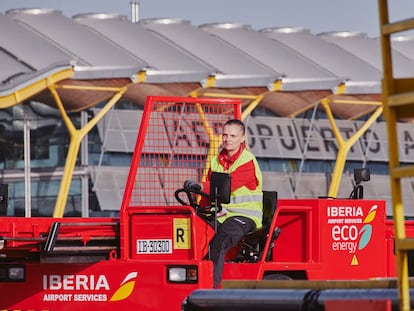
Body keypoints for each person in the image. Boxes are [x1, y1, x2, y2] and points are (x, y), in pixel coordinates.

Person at [184, 119, 263, 288]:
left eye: (233, 135)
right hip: (221, 214)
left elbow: (225, 187)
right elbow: (207, 195)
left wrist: (199, 186)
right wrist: (200, 210)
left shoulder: (247, 161)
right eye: (225, 135)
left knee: (219, 243)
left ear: (242, 138)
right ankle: (189, 284)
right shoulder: (215, 161)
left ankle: (211, 293)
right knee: (194, 235)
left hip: (244, 216)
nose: (228, 139)